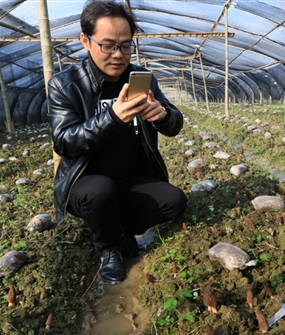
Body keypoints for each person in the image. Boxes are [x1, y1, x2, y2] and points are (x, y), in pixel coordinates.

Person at [47, 0, 187, 284]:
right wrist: (111, 117)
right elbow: (63, 142)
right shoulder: (66, 84)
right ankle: (109, 249)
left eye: (125, 45)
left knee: (174, 202)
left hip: (131, 179)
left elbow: (175, 124)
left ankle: (122, 229)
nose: (118, 54)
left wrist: (163, 115)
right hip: (86, 183)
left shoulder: (142, 80)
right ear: (86, 41)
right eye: (108, 45)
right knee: (100, 190)